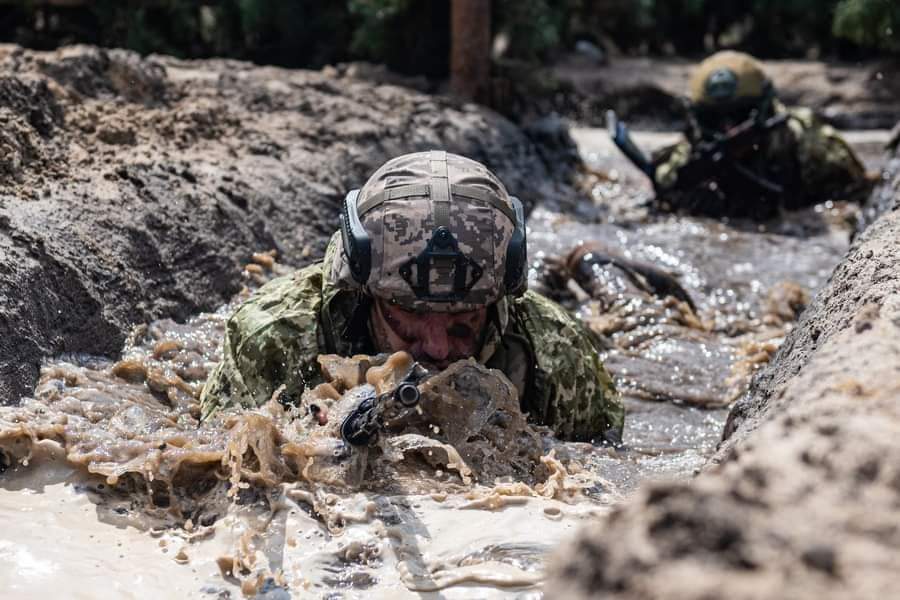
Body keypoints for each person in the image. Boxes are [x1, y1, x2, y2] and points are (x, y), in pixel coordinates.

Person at [199, 151, 624, 443]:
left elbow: (599, 467)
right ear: (365, 297)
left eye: (463, 321)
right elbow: (216, 461)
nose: (437, 347)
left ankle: (589, 266)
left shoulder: (555, 354)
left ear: (494, 308)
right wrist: (303, 443)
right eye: (408, 316)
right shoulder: (275, 337)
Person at [653, 51, 872, 219]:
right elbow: (666, 184)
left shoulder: (801, 137)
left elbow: (856, 190)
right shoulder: (696, 145)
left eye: (740, 115)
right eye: (714, 119)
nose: (728, 129)